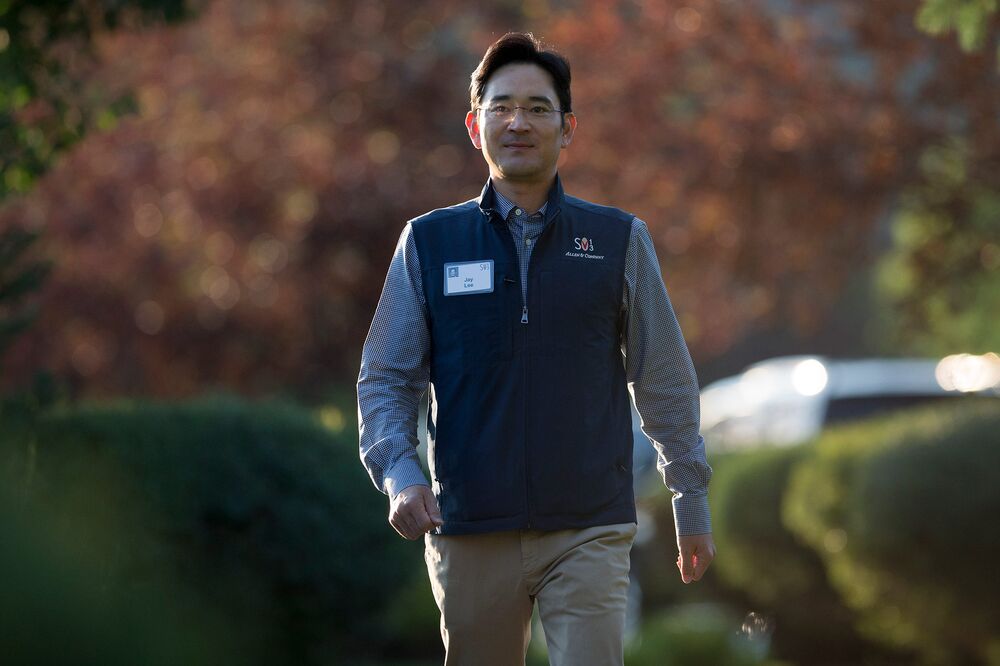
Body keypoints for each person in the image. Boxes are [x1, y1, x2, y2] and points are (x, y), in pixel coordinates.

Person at [357, 31, 714, 666]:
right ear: (475, 127)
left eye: (537, 108)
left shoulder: (619, 240)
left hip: (589, 525)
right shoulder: (429, 244)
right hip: (469, 525)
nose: (518, 122)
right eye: (501, 107)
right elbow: (386, 376)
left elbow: (662, 375)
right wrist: (400, 476)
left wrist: (688, 496)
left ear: (567, 127)